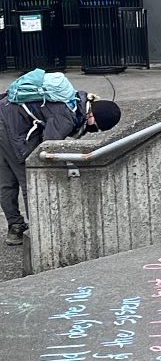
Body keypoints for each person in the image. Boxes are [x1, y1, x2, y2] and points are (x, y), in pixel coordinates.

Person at [0, 70, 122, 245]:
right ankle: (36, 231)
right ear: (93, 116)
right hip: (13, 128)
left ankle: (15, 228)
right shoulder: (68, 117)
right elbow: (47, 149)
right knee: (29, 180)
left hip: (5, 113)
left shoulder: (77, 100)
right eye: (97, 126)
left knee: (7, 179)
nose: (94, 129)